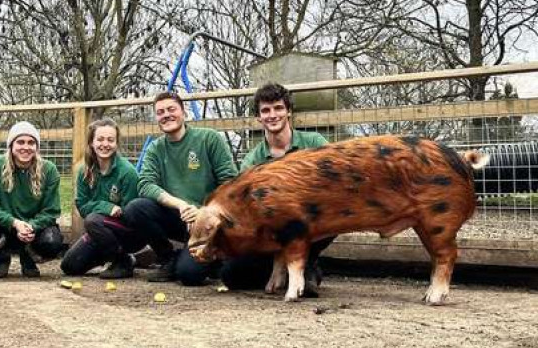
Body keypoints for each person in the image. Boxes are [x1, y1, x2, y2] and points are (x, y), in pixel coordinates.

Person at [221, 82, 334, 294]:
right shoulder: (252, 160)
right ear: (258, 117)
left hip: (310, 222)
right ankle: (290, 266)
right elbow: (249, 209)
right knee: (230, 276)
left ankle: (305, 263)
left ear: (288, 111)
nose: (272, 115)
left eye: (278, 108)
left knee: (330, 206)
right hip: (270, 232)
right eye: (265, 110)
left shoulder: (314, 142)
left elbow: (331, 183)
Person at [123, 91, 239, 285]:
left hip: (209, 219)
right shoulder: (156, 148)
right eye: (160, 112)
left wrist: (204, 212)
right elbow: (145, 184)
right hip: (179, 218)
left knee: (188, 276)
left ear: (183, 112)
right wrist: (181, 205)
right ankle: (167, 257)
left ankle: (210, 255)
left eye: (171, 109)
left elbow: (229, 181)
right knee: (135, 208)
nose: (166, 115)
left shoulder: (208, 139)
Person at [0, 121, 65, 278]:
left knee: (52, 241)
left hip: (33, 230)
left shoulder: (49, 170)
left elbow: (52, 211)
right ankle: (0, 259)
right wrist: (14, 223)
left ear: (37, 147)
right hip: (3, 227)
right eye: (20, 142)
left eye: (31, 142)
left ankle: (28, 258)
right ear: (11, 145)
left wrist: (32, 226)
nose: (25, 147)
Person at [60, 118, 141, 279]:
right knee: (69, 266)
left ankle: (122, 260)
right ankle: (117, 256)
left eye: (111, 140)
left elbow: (131, 214)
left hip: (127, 231)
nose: (105, 144)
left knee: (92, 220)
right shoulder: (85, 171)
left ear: (117, 143)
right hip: (98, 229)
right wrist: (106, 207)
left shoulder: (127, 172)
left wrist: (103, 213)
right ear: (91, 142)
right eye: (100, 139)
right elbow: (82, 206)